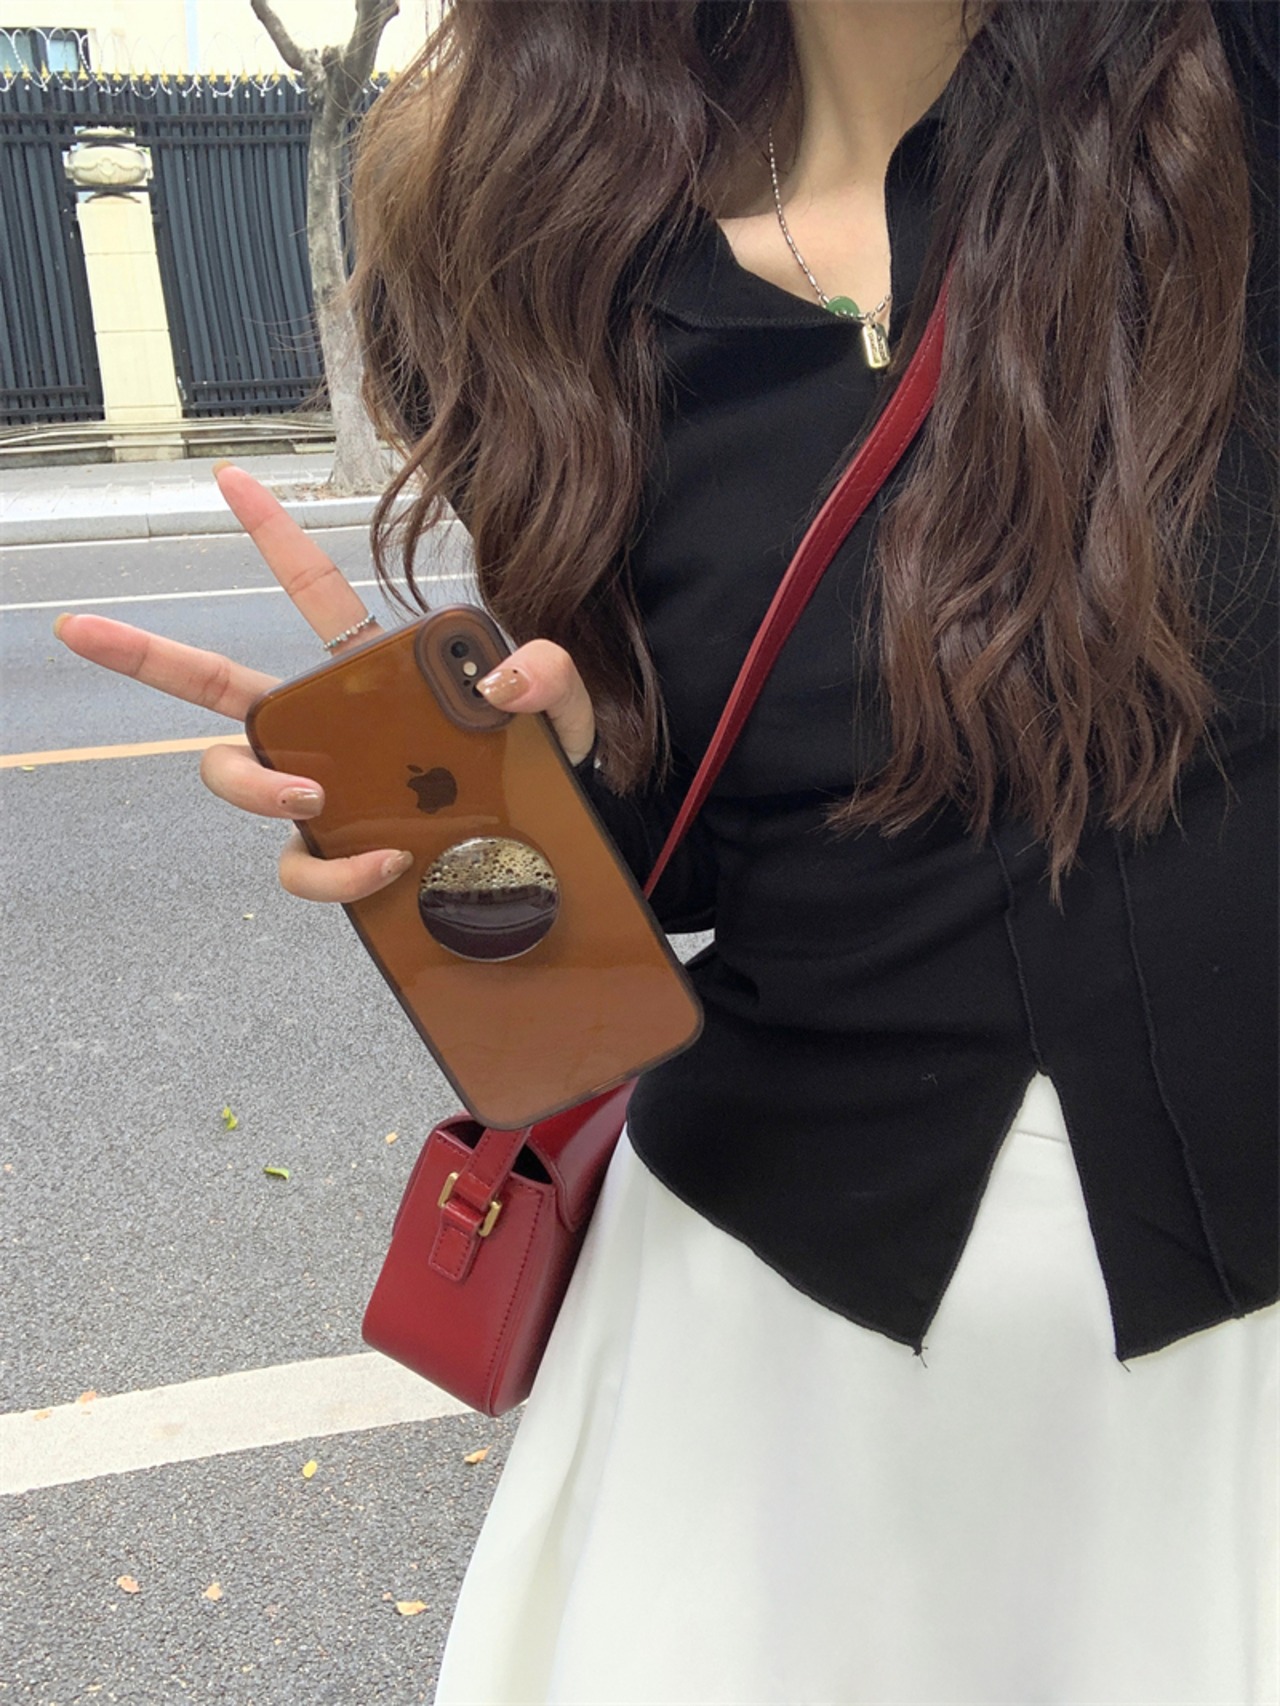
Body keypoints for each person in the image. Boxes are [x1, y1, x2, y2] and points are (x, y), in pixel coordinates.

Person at [57, 1, 1277, 1700]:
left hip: (1232, 1368)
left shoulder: (1227, 119)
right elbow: (653, 892)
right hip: (768, 1355)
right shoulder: (565, 256)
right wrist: (462, 820)